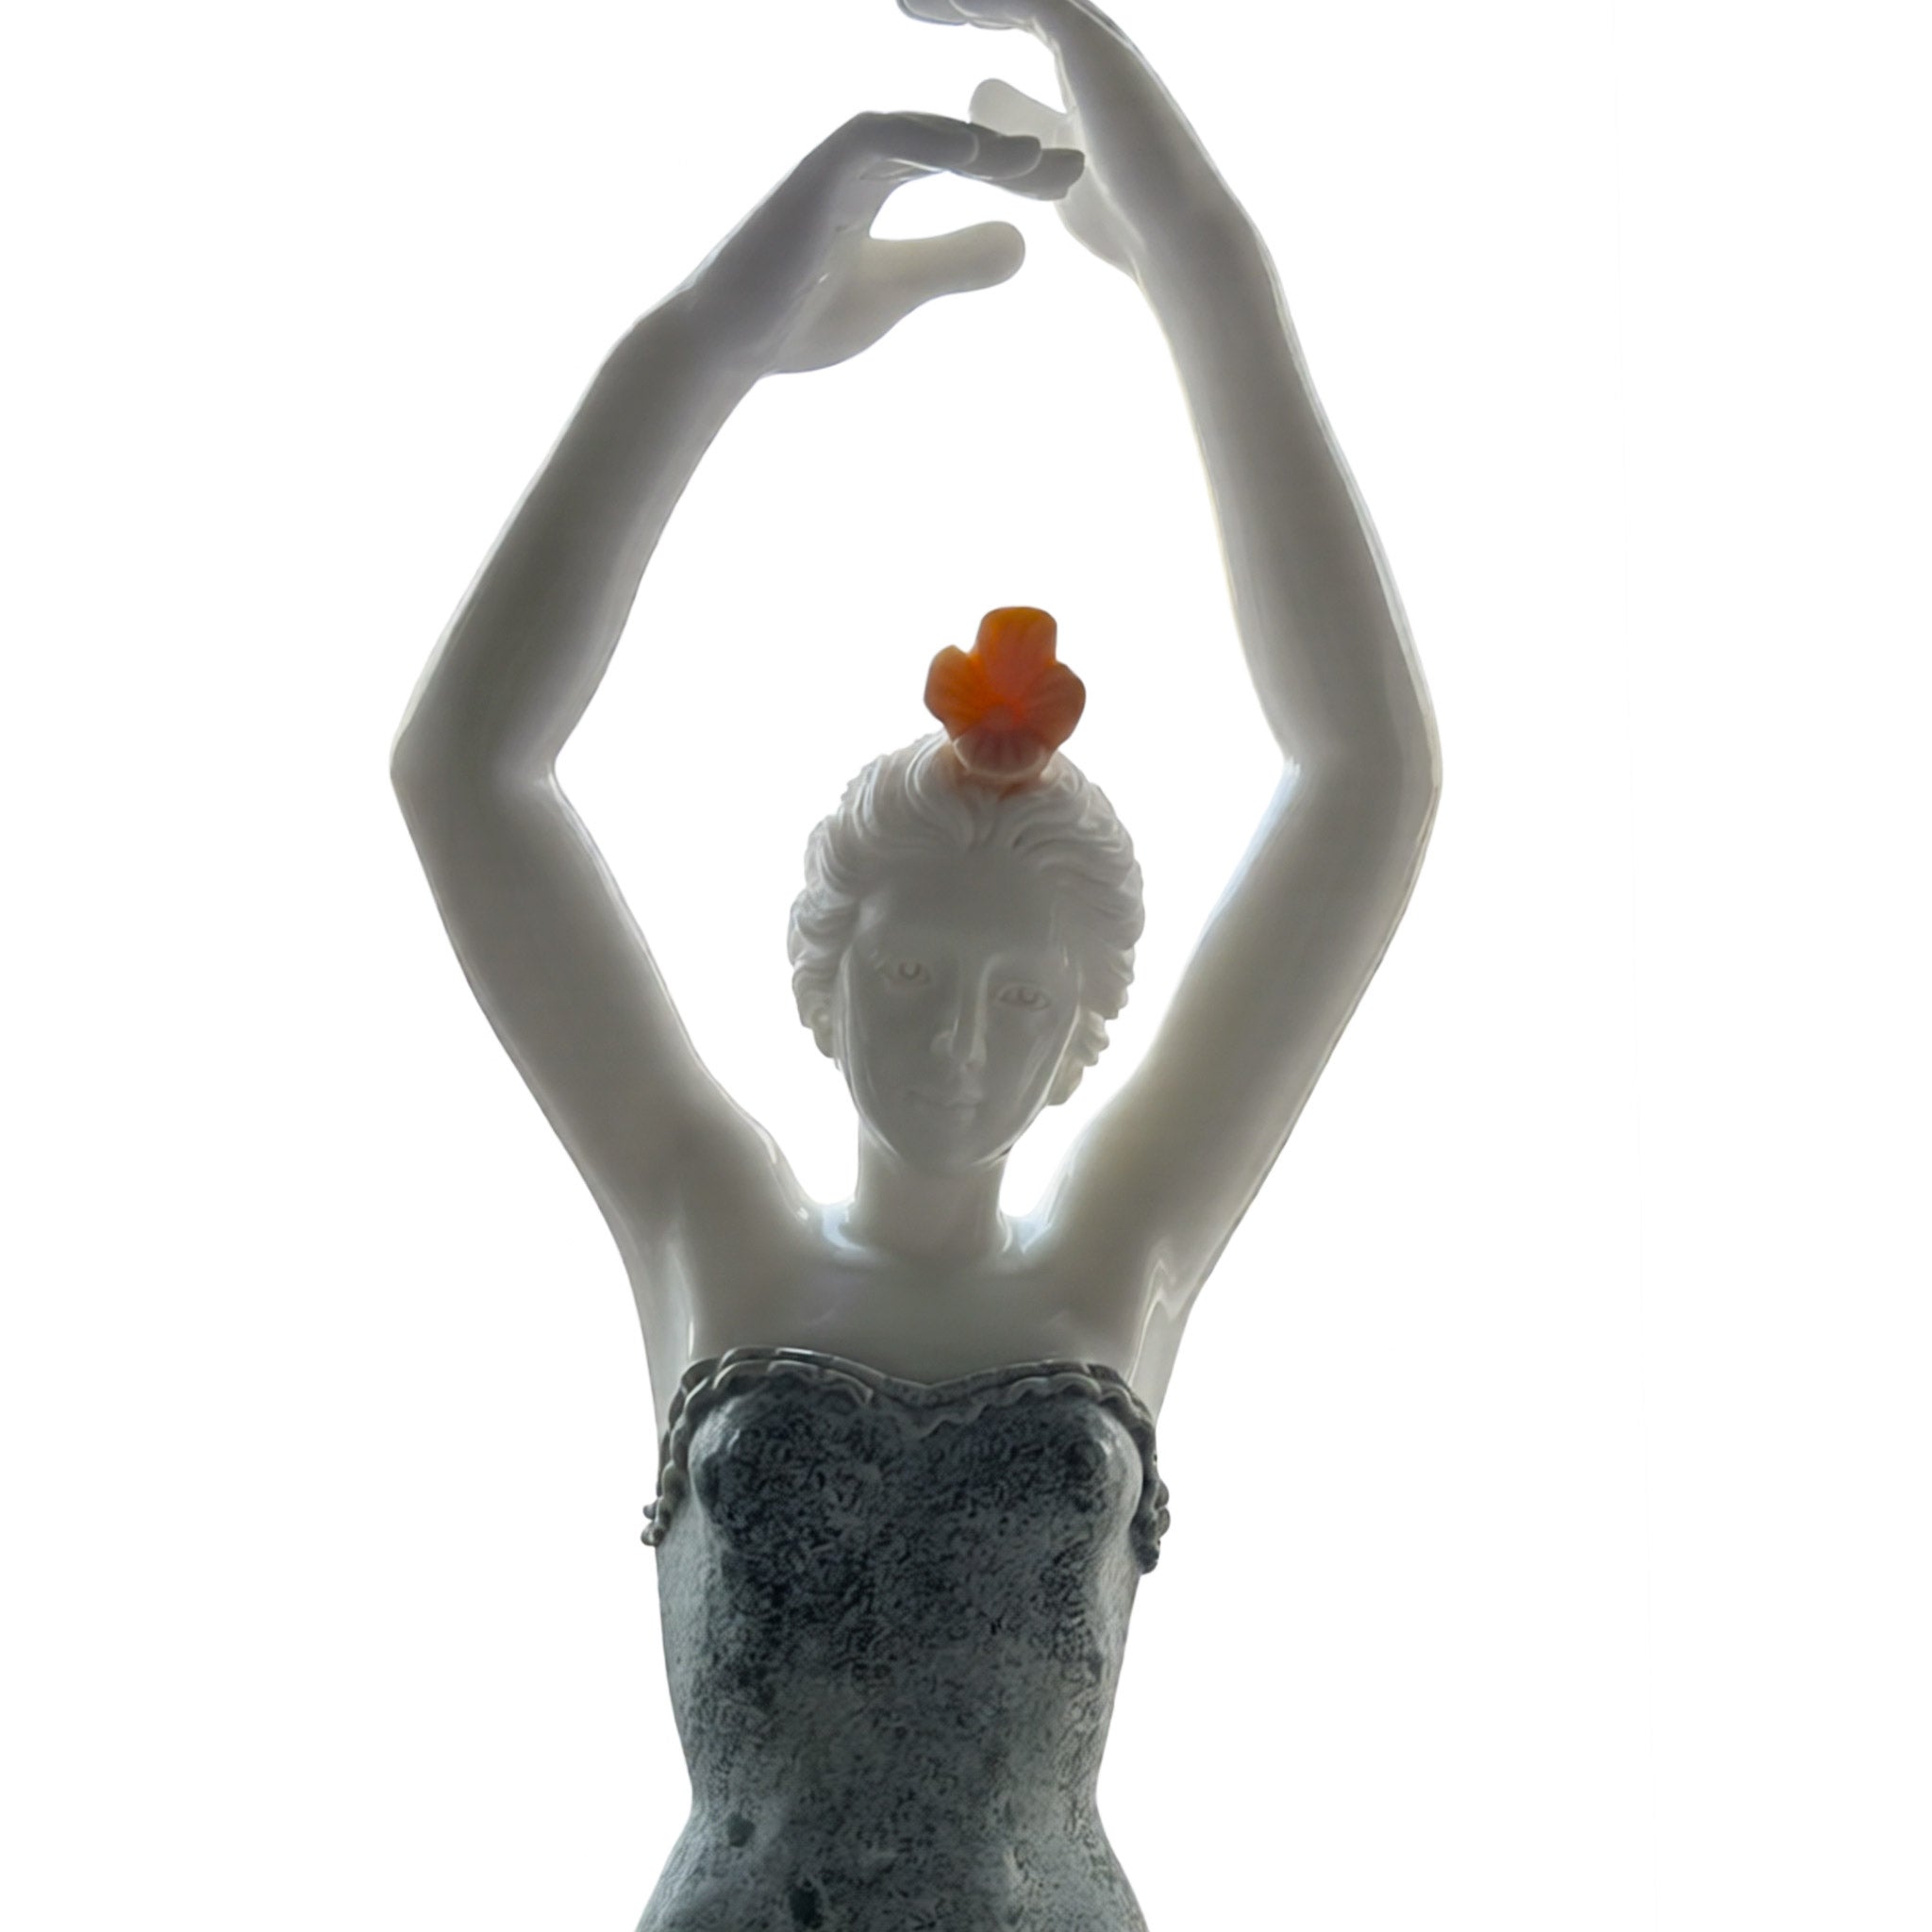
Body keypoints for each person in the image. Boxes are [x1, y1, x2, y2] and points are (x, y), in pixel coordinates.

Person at [391, 3, 1439, 1924]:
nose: (959, 1042)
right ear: (823, 971)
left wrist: (1204, 272)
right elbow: (467, 773)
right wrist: (702, 348)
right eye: (911, 978)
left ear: (1082, 1029)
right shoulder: (705, 1220)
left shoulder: (1120, 1251)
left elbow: (1366, 779)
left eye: (1018, 1001)